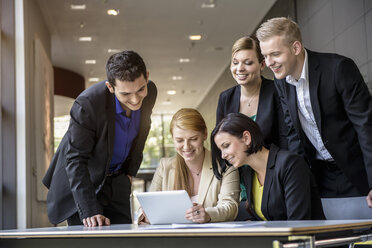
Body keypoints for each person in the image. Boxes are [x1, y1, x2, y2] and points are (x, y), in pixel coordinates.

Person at [256, 17, 372, 205]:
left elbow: (366, 126)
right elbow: (294, 135)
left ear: (295, 48)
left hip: (357, 172)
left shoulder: (338, 69)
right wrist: (299, 184)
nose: (269, 63)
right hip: (320, 177)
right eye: (265, 55)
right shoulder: (281, 81)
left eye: (275, 54)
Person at [42, 50, 157, 227]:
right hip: (87, 183)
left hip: (118, 180)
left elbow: (143, 131)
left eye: (140, 89)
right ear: (110, 87)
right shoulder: (88, 103)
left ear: (147, 77)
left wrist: (129, 171)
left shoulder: (150, 93)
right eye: (125, 94)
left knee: (123, 239)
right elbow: (75, 159)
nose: (135, 100)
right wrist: (89, 209)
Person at [211, 113, 325, 220]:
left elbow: (298, 222)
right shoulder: (248, 174)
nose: (223, 155)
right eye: (220, 150)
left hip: (306, 240)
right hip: (274, 240)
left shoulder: (290, 164)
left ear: (246, 138)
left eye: (226, 146)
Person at [138, 108, 240, 224]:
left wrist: (208, 215)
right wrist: (145, 214)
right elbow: (149, 204)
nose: (186, 147)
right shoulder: (164, 167)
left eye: (193, 139)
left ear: (205, 134)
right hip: (172, 239)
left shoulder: (225, 167)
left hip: (211, 239)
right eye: (179, 140)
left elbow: (230, 207)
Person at [216, 35, 287, 149]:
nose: (239, 68)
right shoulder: (225, 98)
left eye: (248, 63)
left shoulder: (277, 92)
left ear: (262, 64)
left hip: (273, 164)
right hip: (235, 166)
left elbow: (285, 139)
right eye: (235, 62)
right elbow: (220, 142)